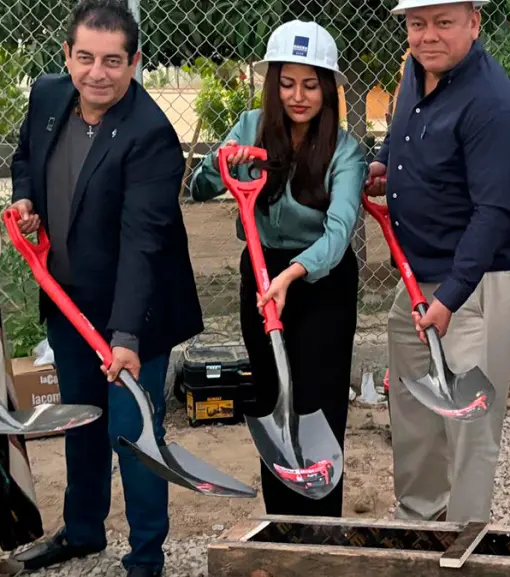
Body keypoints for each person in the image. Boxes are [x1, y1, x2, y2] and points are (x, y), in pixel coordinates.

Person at [6, 1, 204, 576]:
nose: (98, 72)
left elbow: (144, 245)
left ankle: (146, 558)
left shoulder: (151, 137)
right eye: (86, 57)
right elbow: (25, 158)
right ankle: (85, 531)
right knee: (79, 419)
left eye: (113, 61)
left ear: (134, 62)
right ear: (67, 56)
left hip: (135, 310)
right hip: (69, 300)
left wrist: (126, 337)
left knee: (133, 432)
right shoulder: (47, 97)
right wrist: (26, 201)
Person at [188, 20, 366, 517]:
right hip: (261, 274)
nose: (298, 96)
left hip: (321, 282)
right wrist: (218, 163)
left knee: (320, 400)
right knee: (272, 396)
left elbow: (338, 232)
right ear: (272, 83)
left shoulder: (345, 149)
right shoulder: (249, 127)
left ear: (328, 88)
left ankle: (321, 527)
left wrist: (292, 275)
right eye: (287, 83)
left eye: (311, 84)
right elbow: (199, 190)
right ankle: (281, 521)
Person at [365, 0, 510, 523]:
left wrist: (452, 298)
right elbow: (404, 136)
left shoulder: (494, 104)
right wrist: (385, 161)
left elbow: (493, 213)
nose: (428, 35)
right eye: (418, 24)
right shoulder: (416, 73)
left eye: (443, 22)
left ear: (474, 22)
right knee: (414, 411)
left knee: (470, 424)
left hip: (475, 285)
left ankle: (464, 537)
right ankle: (420, 518)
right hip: (417, 281)